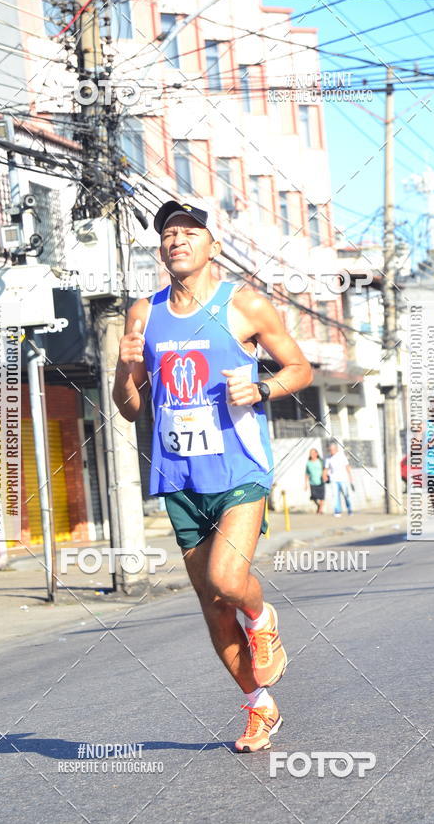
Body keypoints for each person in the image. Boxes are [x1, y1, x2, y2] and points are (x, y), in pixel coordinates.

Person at [113, 199, 312, 753]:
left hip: (239, 468)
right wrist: (128, 369)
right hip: (178, 476)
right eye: (168, 234)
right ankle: (259, 706)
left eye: (189, 231)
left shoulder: (243, 304)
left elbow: (300, 368)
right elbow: (129, 408)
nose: (177, 239)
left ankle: (262, 614)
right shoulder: (142, 314)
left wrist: (263, 388)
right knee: (211, 605)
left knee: (229, 581)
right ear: (161, 250)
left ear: (212, 246)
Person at [324, 442, 354, 517]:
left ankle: (350, 509)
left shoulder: (341, 456)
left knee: (346, 495)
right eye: (330, 450)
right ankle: (337, 511)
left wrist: (350, 477)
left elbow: (347, 467)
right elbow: (326, 468)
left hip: (343, 479)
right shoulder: (328, 458)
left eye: (332, 450)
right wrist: (324, 476)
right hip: (333, 479)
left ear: (336, 449)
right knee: (335, 496)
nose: (331, 451)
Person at [304, 448, 325, 513]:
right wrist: (306, 484)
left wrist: (325, 476)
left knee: (321, 497)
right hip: (312, 482)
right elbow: (306, 474)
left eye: (313, 453)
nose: (312, 454)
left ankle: (320, 509)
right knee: (314, 497)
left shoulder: (321, 461)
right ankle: (319, 506)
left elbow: (325, 469)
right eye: (311, 453)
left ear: (317, 453)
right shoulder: (308, 463)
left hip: (321, 481)